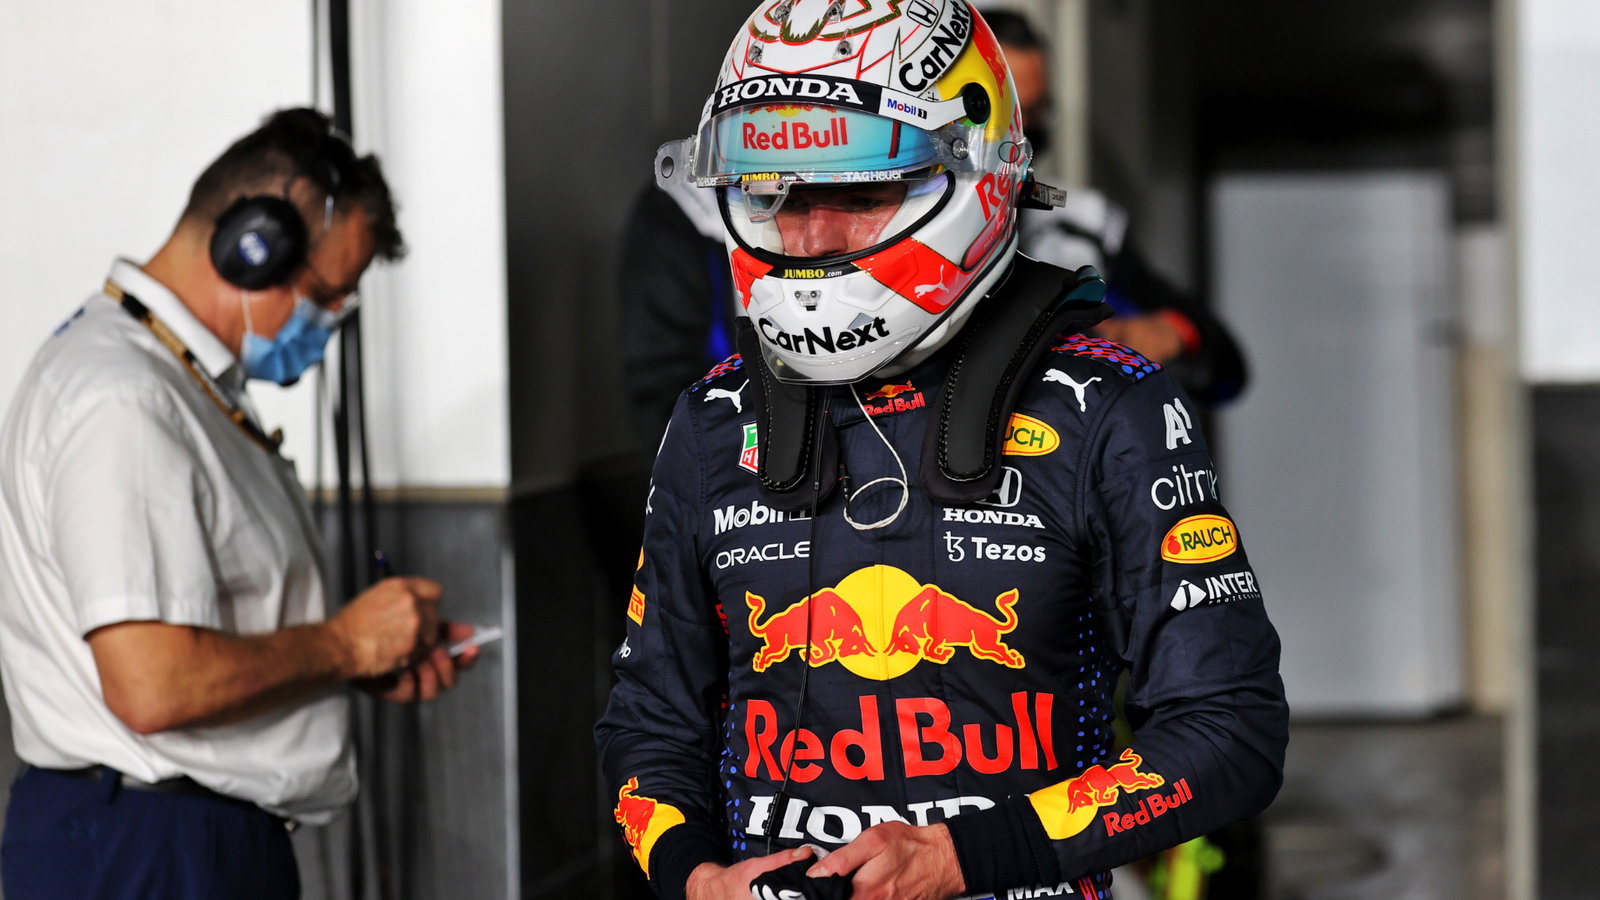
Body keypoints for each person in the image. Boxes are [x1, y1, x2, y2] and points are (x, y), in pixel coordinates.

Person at [595, 4, 1288, 900]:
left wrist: (964, 860)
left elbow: (1230, 730)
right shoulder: (711, 420)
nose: (809, 237)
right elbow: (649, 721)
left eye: (855, 193)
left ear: (975, 179)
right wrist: (695, 877)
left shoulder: (1109, 408)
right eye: (775, 192)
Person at [0, 107, 480, 899]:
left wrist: (352, 662)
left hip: (186, 839)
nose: (329, 325)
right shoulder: (124, 400)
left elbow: (200, 636)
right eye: (327, 295)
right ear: (253, 248)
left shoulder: (177, 384)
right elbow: (153, 684)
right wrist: (345, 646)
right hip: (148, 851)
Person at [617, 14, 1245, 452]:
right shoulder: (697, 212)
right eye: (783, 200)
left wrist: (1162, 336)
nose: (815, 232)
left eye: (1032, 125)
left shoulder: (1076, 223)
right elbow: (665, 415)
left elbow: (1222, 360)